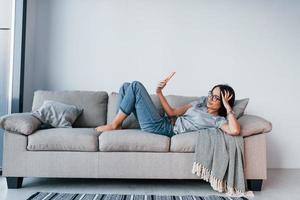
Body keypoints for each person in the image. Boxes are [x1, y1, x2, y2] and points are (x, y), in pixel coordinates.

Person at [95, 80, 240, 137]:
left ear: (223, 103)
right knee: (126, 86)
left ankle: (113, 125)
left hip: (166, 129)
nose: (210, 99)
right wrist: (159, 92)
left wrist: (228, 107)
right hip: (163, 121)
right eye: (211, 94)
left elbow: (235, 130)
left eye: (216, 98)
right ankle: (117, 125)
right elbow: (171, 112)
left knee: (135, 86)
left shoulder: (217, 120)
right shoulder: (198, 103)